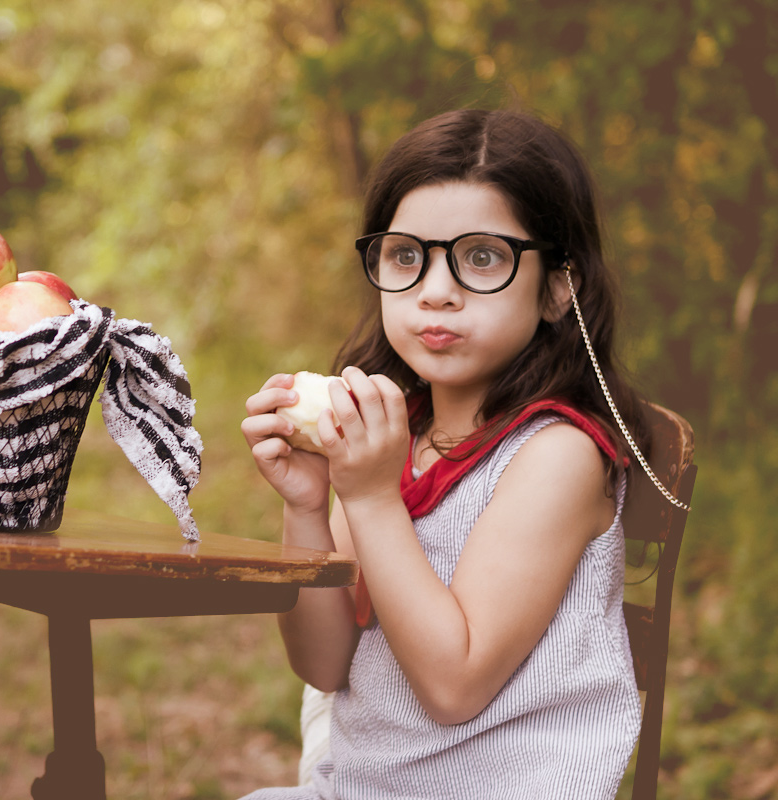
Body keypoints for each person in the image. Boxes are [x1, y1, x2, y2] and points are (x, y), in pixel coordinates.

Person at [239, 108, 654, 799]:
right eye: (407, 256)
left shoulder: (557, 456)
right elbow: (323, 663)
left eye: (482, 257)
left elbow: (453, 685)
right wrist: (310, 507)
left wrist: (369, 497)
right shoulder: (399, 435)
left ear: (559, 286)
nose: (436, 291)